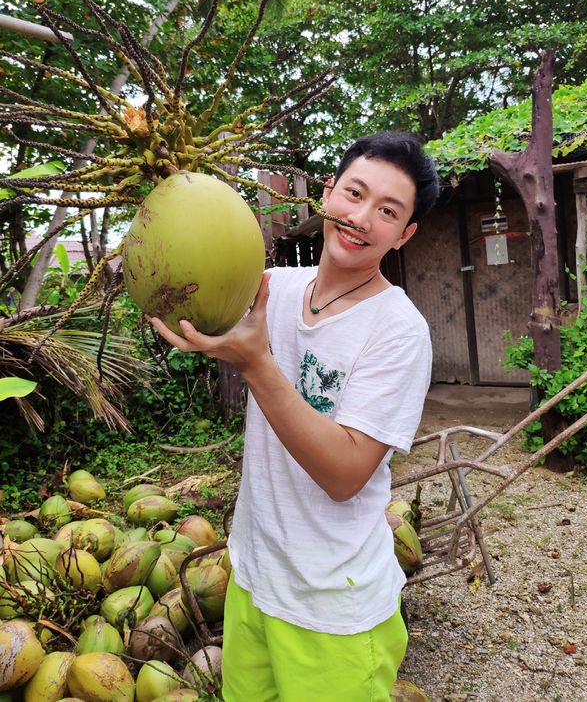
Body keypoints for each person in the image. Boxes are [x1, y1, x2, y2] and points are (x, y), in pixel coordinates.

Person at [150, 131, 440, 701]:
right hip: (254, 578)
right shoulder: (270, 290)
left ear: (404, 234)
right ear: (328, 194)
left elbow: (345, 473)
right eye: (353, 193)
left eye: (387, 210)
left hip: (334, 604)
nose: (360, 217)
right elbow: (193, 274)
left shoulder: (399, 330)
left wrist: (257, 364)